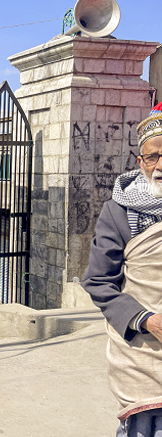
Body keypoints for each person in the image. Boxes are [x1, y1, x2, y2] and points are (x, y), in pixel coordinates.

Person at [82, 102, 162, 436]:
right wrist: (147, 320)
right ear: (140, 162)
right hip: (143, 355)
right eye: (153, 156)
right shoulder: (118, 212)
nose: (161, 165)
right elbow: (99, 281)